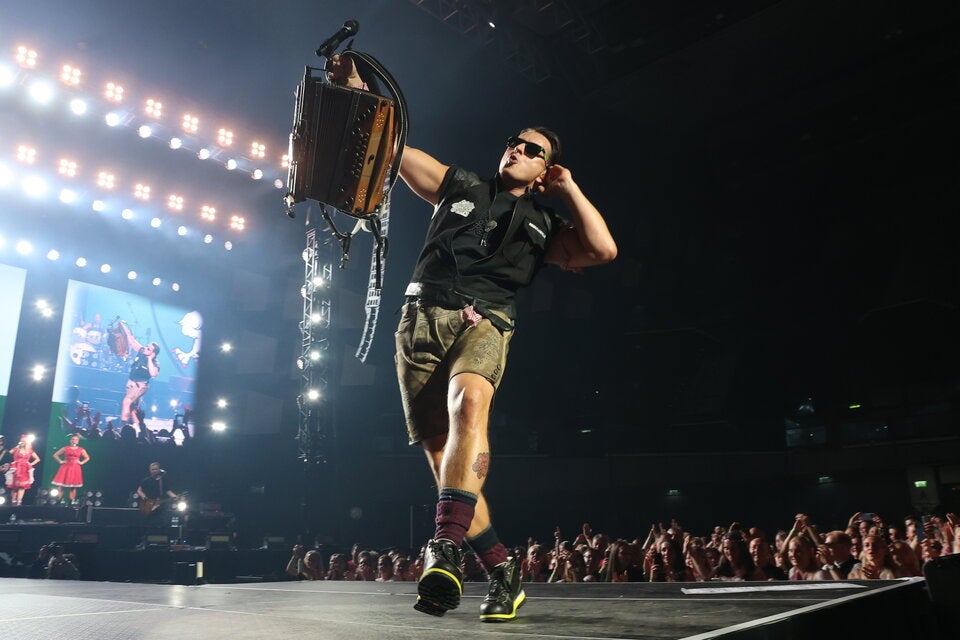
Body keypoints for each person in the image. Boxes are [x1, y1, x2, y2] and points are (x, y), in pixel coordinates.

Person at [327, 53, 617, 623]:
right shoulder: (459, 183)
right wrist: (356, 88)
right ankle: (503, 570)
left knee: (471, 400)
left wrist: (570, 189)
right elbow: (390, 147)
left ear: (547, 170)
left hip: (487, 323)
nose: (519, 149)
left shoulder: (545, 227)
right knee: (441, 456)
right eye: (517, 141)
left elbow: (603, 250)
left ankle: (443, 548)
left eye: (535, 150)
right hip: (419, 322)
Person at [118, 322, 159, 429]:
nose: (146, 348)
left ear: (153, 353)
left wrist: (150, 359)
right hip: (131, 382)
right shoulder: (141, 351)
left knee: (126, 401)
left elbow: (153, 374)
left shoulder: (155, 362)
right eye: (147, 346)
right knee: (132, 408)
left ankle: (122, 427)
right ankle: (140, 427)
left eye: (149, 349)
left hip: (140, 385)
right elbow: (131, 339)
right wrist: (124, 327)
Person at [50, 434, 90, 504]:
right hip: (66, 467)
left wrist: (81, 462)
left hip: (75, 468)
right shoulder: (66, 448)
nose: (74, 441)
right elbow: (55, 455)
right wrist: (61, 461)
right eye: (73, 439)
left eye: (76, 440)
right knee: (61, 485)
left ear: (78, 441)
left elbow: (87, 457)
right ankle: (58, 500)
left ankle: (72, 501)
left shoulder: (81, 449)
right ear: (70, 440)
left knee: (73, 486)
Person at [5, 435, 40, 506]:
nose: (22, 442)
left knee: (22, 487)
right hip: (16, 468)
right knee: (15, 486)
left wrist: (30, 464)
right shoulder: (16, 449)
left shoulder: (30, 450)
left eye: (24, 441)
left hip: (24, 469)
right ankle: (13, 501)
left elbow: (37, 459)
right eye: (21, 441)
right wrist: (17, 447)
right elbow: (8, 453)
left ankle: (19, 502)